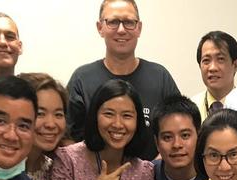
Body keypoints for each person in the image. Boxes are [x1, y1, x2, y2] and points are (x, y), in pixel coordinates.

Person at [66, 0, 180, 160]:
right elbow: (68, 137)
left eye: (128, 22)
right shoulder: (82, 79)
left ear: (139, 28)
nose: (121, 30)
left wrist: (151, 169)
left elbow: (179, 128)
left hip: (154, 179)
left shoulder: (160, 77)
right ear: (100, 28)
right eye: (113, 22)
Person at [191, 31, 237, 121]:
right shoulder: (191, 109)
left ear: (236, 65)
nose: (212, 68)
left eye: (220, 59)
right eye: (206, 60)